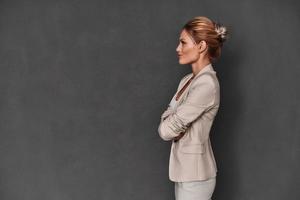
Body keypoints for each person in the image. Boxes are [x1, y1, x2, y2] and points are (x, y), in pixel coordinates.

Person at [158, 16, 228, 200]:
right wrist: (174, 122)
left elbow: (166, 131)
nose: (177, 48)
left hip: (197, 175)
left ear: (201, 46)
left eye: (183, 42)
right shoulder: (187, 81)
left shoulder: (207, 85)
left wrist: (173, 122)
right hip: (185, 171)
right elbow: (167, 118)